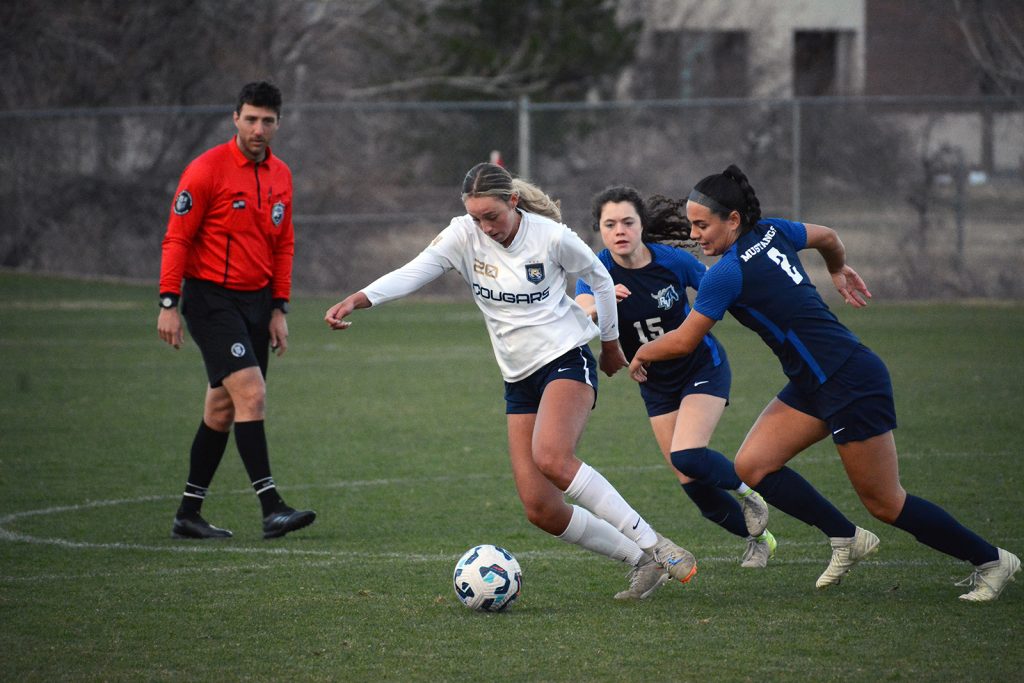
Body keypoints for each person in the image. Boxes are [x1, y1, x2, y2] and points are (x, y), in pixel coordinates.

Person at [628, 164, 1020, 601]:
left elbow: (684, 340)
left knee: (886, 502)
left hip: (848, 379)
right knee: (753, 466)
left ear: (733, 220)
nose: (696, 234)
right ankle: (846, 537)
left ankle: (991, 561)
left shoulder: (727, 273)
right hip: (813, 380)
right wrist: (838, 269)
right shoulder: (775, 231)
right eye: (692, 225)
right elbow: (829, 236)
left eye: (703, 225)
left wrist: (642, 352)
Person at [325, 162, 697, 600]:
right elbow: (415, 271)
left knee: (553, 457)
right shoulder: (462, 235)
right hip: (518, 378)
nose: (485, 227)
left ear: (514, 203)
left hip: (566, 357)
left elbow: (599, 278)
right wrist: (359, 298)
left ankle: (659, 545)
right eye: (476, 217)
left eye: (493, 217)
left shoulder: (551, 237)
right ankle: (642, 561)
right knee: (540, 508)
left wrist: (611, 346)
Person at [575, 186, 775, 571]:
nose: (620, 231)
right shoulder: (596, 273)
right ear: (599, 231)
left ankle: (749, 492)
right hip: (654, 382)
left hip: (701, 367)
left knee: (689, 453)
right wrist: (598, 305)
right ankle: (759, 539)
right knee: (690, 482)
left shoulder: (671, 263)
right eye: (610, 224)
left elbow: (721, 289)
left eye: (628, 222)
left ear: (641, 225)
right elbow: (581, 306)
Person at [157, 81, 315, 540]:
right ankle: (272, 507)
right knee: (253, 393)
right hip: (210, 298)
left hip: (257, 302)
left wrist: (279, 307)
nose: (258, 128)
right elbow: (177, 238)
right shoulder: (207, 169)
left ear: (278, 124)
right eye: (250, 119)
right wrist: (168, 302)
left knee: (223, 409)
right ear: (235, 118)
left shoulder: (282, 174)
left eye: (267, 121)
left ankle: (188, 513)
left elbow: (283, 243)